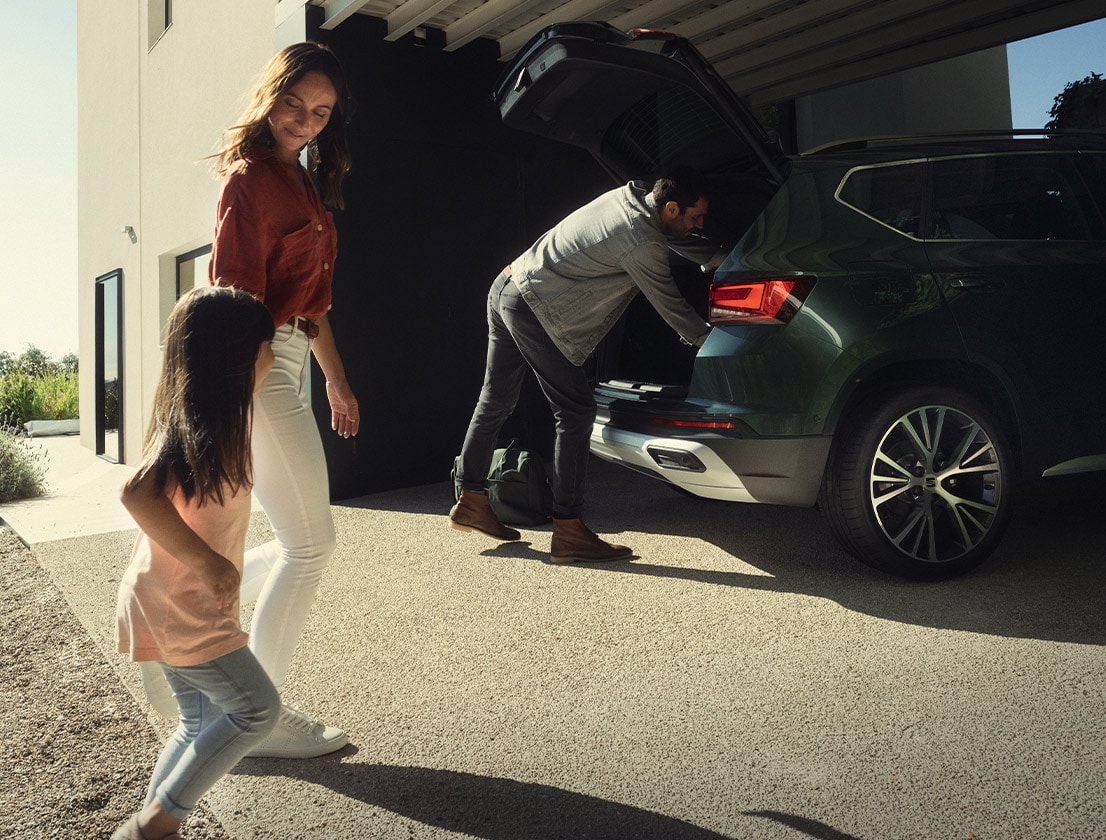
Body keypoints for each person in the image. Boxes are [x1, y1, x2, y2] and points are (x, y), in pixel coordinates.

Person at [206, 41, 357, 757]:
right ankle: (255, 719)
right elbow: (235, 298)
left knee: (301, 540)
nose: (305, 120)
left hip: (292, 357)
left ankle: (208, 590)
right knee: (311, 544)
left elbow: (313, 304)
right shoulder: (249, 181)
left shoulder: (305, 184)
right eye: (295, 104)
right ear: (272, 97)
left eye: (321, 112)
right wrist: (240, 392)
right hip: (258, 360)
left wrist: (336, 379)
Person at [450, 171, 713, 562]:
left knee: (496, 399)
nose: (699, 226)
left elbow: (673, 242)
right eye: (695, 218)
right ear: (671, 208)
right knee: (575, 409)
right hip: (532, 307)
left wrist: (716, 256)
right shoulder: (642, 242)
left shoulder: (627, 199)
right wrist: (713, 339)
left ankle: (470, 499)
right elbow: (672, 306)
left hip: (506, 285)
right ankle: (569, 529)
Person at [113, 287, 281, 840]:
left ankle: (150, 827)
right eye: (265, 346)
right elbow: (137, 494)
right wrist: (209, 564)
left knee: (199, 720)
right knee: (257, 710)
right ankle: (154, 826)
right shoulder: (193, 427)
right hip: (177, 606)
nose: (273, 358)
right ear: (234, 357)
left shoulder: (223, 425)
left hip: (171, 601)